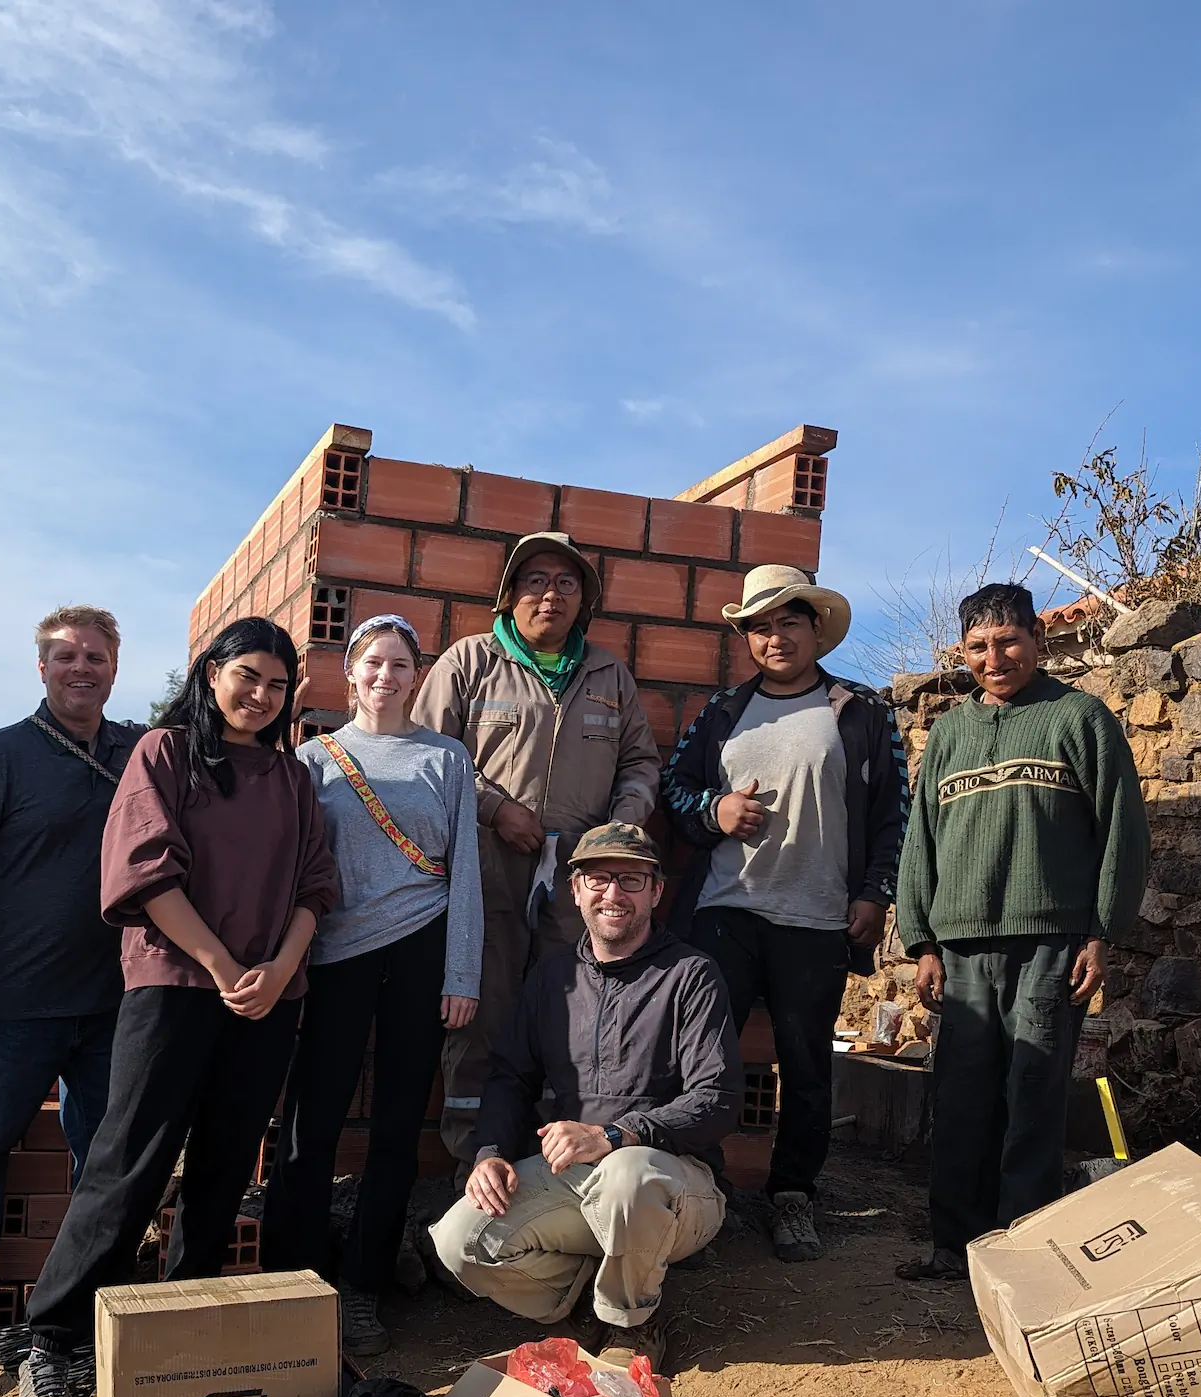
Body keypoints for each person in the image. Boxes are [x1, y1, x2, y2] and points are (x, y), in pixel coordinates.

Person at [17, 617, 340, 1397]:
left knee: (226, 1166)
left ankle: (182, 1326)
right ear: (212, 671)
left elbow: (315, 886)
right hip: (175, 986)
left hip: (268, 998)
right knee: (131, 1159)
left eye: (277, 684)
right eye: (248, 676)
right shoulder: (163, 753)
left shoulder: (291, 777)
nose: (261, 696)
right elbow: (147, 873)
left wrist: (279, 969)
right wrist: (226, 968)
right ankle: (54, 1337)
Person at [892, 581, 1148, 1282]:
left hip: (1050, 944)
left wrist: (1100, 932)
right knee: (962, 1098)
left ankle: (1024, 1254)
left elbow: (1121, 832)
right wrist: (922, 941)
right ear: (964, 651)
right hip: (963, 948)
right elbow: (923, 844)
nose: (994, 656)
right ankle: (956, 1247)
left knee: (1034, 1094)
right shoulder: (947, 735)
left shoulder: (1080, 718)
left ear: (1037, 637)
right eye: (978, 645)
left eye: (1007, 640)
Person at [662, 564, 907, 1263]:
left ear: (814, 627)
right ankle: (698, 1193)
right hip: (724, 911)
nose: (774, 637)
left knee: (805, 1064)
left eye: (787, 622)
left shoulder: (859, 710)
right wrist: (716, 808)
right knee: (704, 1057)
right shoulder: (722, 713)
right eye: (760, 626)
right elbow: (674, 791)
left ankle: (793, 1196)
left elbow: (896, 812)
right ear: (746, 637)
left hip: (816, 915)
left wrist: (874, 892)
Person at [427, 823, 739, 1370]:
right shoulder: (552, 979)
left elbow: (716, 1098)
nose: (613, 895)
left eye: (630, 880)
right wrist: (490, 1153)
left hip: (676, 1184)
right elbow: (509, 1078)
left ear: (656, 891)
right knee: (460, 1241)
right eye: (598, 880)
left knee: (628, 1175)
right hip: (577, 1181)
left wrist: (614, 1135)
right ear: (574, 890)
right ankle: (581, 1308)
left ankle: (632, 1322)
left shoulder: (691, 975)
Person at [0, 606, 141, 1366]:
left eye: (96, 657)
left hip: (115, 1001)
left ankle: (85, 1294)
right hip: (9, 997)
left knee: (104, 1154)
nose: (82, 668)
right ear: (40, 666)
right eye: (66, 656)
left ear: (116, 667)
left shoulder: (143, 753)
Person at [266, 614, 482, 1356]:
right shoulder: (314, 759)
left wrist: (462, 972)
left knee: (396, 1124)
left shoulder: (447, 759)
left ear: (417, 676)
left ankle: (361, 1284)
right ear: (348, 673)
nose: (386, 676)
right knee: (313, 1116)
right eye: (373, 663)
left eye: (400, 664)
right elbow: (289, 866)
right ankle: (292, 1272)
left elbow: (467, 876)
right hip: (333, 950)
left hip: (422, 946)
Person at [412, 532, 660, 1163]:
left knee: (569, 1016)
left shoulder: (609, 674)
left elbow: (639, 764)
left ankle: (553, 1169)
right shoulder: (468, 663)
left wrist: (615, 839)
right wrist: (496, 810)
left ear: (585, 599)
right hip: (483, 873)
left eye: (567, 583)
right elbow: (429, 759)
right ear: (509, 594)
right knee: (481, 1015)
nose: (551, 594)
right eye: (536, 581)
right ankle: (473, 1165)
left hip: (578, 884)